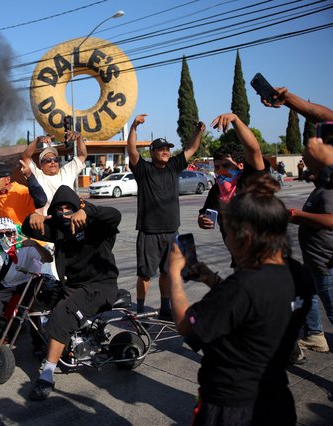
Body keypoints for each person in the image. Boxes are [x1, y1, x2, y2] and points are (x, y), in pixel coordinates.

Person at [168, 174, 313, 425]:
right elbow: (256, 306)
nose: (226, 239)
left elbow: (185, 324)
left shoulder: (243, 286)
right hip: (276, 397)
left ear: (245, 238)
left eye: (228, 232)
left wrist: (172, 274)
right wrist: (212, 280)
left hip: (233, 406)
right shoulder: (298, 274)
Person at [22, 185, 122, 401]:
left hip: (100, 286)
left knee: (61, 315)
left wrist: (88, 212)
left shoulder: (96, 225)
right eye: (60, 208)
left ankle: (47, 374)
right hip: (72, 285)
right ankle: (45, 346)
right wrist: (31, 217)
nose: (65, 212)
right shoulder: (58, 229)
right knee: (38, 303)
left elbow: (115, 215)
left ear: (79, 207)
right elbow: (27, 229)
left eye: (70, 208)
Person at [127, 114, 204, 320]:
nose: (165, 152)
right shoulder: (143, 169)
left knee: (168, 273)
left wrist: (198, 132)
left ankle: (165, 308)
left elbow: (191, 149)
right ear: (152, 152)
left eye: (167, 149)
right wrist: (134, 126)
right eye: (161, 149)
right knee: (144, 274)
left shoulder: (173, 166)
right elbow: (132, 150)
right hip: (149, 232)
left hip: (172, 231)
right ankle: (141, 312)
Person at [290, 134, 333, 353]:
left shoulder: (327, 192)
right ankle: (315, 334)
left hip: (325, 262)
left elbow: (331, 221)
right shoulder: (319, 190)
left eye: (310, 166)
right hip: (314, 260)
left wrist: (297, 216)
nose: (306, 171)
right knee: (307, 294)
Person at [197, 113, 267, 242]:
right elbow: (205, 213)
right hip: (237, 257)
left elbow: (253, 150)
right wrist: (202, 220)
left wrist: (235, 119)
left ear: (240, 166)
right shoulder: (216, 190)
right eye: (217, 167)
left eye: (226, 165)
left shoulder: (250, 180)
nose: (221, 171)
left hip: (262, 254)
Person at [21, 132, 87, 215]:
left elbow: (82, 155)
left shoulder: (67, 171)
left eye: (56, 160)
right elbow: (25, 156)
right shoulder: (37, 174)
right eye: (48, 160)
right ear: (41, 165)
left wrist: (79, 138)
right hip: (48, 221)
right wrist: (37, 140)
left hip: (69, 218)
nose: (53, 162)